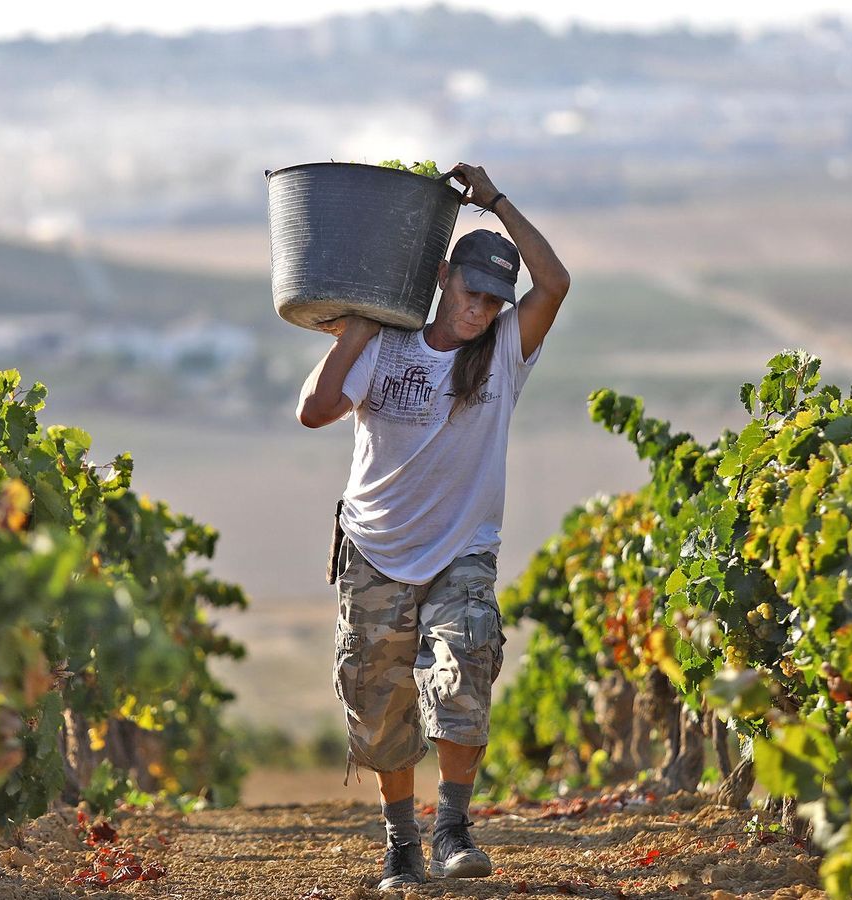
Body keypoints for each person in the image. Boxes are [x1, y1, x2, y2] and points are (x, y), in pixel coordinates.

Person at [295, 162, 571, 889]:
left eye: (493, 299)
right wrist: (353, 334)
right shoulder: (385, 341)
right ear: (444, 276)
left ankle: (452, 825)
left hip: (462, 552)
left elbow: (557, 283)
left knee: (464, 668)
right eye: (473, 291)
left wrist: (499, 201)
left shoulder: (505, 352)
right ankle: (401, 845)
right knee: (378, 701)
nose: (482, 309)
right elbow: (315, 411)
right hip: (375, 549)